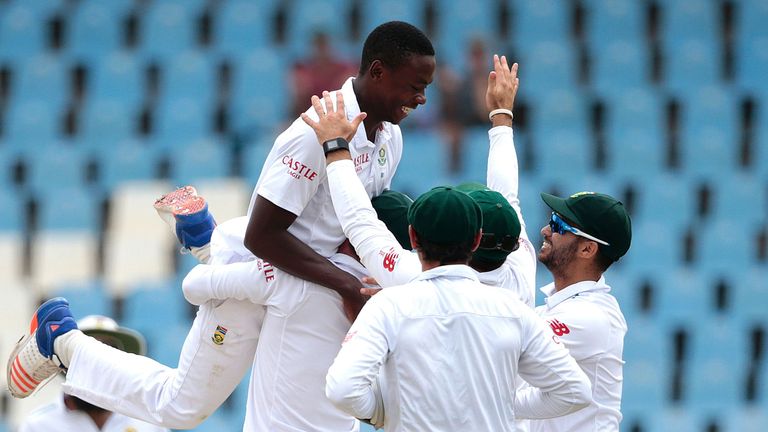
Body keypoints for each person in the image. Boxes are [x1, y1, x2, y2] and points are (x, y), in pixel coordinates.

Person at [324, 185, 592, 431]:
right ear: (475, 241)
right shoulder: (514, 310)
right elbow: (575, 391)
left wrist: (385, 411)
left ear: (412, 237)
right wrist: (501, 405)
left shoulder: (388, 305)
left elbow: (342, 390)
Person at [303, 54, 536, 308]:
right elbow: (508, 198)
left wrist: (335, 145)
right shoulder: (520, 276)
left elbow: (360, 221)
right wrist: (502, 115)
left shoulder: (413, 279)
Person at [243, 20, 435, 320]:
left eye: (425, 89)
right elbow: (260, 237)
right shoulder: (315, 133)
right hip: (280, 284)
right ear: (378, 72)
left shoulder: (391, 135)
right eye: (415, 87)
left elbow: (360, 221)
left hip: (326, 283)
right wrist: (347, 285)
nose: (422, 98)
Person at [529, 191, 632, 431]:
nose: (545, 230)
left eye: (558, 225)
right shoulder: (561, 307)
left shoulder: (592, 317)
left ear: (587, 249)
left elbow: (508, 346)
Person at [18, 315, 168, 432]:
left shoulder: (150, 423)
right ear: (68, 365)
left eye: (107, 354)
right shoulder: (37, 426)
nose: (97, 370)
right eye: (87, 358)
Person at [290, 31, 357, 118]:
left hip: (339, 118)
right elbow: (296, 103)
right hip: (308, 118)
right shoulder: (303, 70)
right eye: (318, 46)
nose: (321, 51)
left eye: (324, 46)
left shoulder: (344, 69)